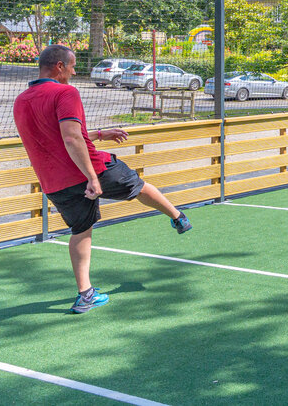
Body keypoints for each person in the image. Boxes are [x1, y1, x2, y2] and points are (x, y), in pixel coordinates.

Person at [14, 45, 193, 314]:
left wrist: (98, 134)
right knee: (137, 185)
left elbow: (54, 135)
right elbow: (71, 138)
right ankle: (178, 217)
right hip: (91, 171)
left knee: (81, 231)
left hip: (55, 183)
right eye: (72, 66)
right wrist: (92, 178)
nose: (74, 72)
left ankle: (85, 294)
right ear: (59, 67)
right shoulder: (66, 92)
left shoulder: (21, 100)